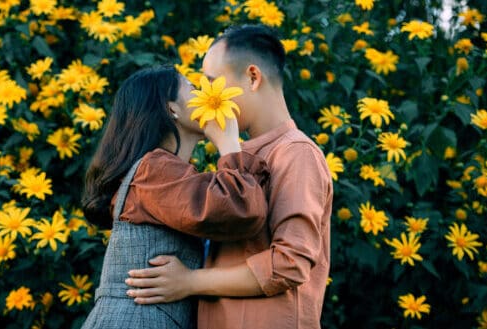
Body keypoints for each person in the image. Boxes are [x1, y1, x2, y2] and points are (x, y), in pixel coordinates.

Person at [125, 25, 333, 329]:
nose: (204, 97)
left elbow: (289, 264)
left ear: (252, 77)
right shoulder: (238, 157)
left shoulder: (296, 152)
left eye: (212, 84)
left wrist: (189, 281)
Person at [80, 65, 270, 329]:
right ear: (172, 109)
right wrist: (229, 145)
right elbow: (240, 209)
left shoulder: (162, 174)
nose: (205, 93)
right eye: (192, 88)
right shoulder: (153, 170)